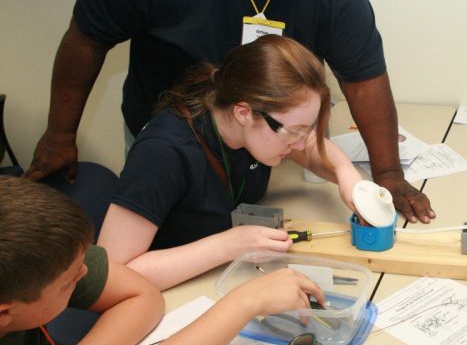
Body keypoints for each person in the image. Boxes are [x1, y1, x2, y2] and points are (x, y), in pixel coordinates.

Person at [24, 0, 435, 224]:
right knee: (167, 229)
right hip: (173, 141)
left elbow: (364, 77)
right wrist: (60, 133)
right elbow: (87, 39)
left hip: (260, 148)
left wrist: (386, 174)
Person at [0, 175, 326, 345]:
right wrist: (246, 301)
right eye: (69, 281)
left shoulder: (40, 259)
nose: (83, 274)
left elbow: (142, 296)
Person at [96, 35, 363, 290]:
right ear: (244, 113)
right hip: (169, 294)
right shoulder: (163, 153)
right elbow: (113, 274)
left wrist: (346, 173)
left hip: (221, 275)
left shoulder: (247, 125)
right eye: (293, 131)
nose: (299, 143)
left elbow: (308, 148)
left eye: (308, 128)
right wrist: (229, 245)